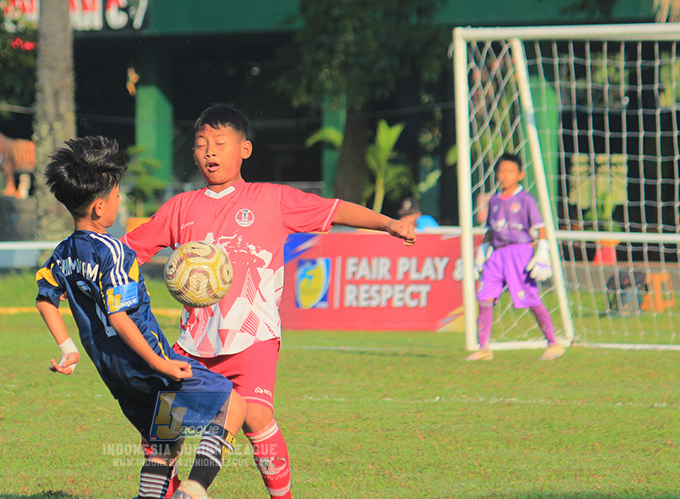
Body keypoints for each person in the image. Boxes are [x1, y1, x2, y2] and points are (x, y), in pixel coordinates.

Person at [122, 104, 417, 499]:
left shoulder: (272, 199)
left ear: (244, 149)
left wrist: (388, 223)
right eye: (201, 144)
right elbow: (128, 252)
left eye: (219, 143)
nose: (209, 152)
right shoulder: (180, 207)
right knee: (164, 432)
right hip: (193, 342)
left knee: (256, 417)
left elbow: (334, 209)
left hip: (253, 335)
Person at [37, 135, 247, 499]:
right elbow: (120, 318)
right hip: (147, 360)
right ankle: (194, 490)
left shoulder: (63, 252)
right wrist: (161, 364)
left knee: (165, 441)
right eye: (118, 196)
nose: (120, 201)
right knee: (234, 404)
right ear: (100, 208)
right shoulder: (115, 252)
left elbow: (44, 298)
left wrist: (68, 349)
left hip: (113, 371)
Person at [469, 152, 564, 362]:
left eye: (510, 171)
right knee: (484, 297)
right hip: (497, 255)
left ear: (520, 174)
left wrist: (542, 251)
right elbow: (490, 230)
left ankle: (554, 343)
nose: (504, 175)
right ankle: (483, 348)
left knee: (529, 299)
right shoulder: (493, 200)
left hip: (520, 253)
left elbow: (540, 228)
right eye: (501, 171)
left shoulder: (526, 200)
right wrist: (481, 252)